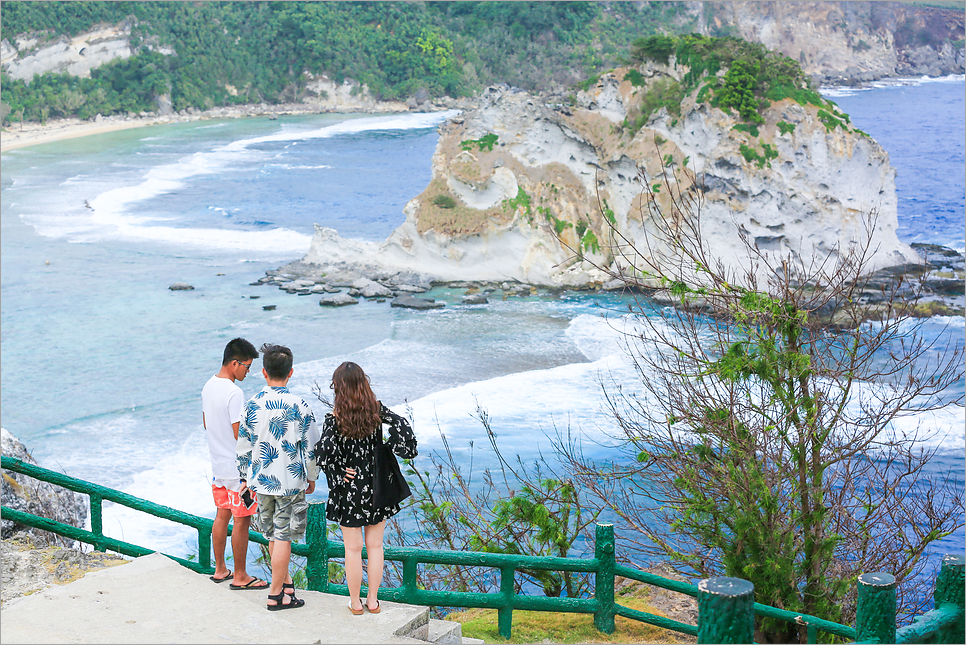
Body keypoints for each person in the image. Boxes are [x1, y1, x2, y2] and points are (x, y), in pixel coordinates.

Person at [315, 361, 418, 615]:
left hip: (349, 489)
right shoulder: (376, 411)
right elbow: (403, 425)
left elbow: (323, 453)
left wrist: (339, 470)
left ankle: (355, 603)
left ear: (338, 387)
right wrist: (390, 446)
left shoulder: (334, 419)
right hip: (377, 487)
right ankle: (373, 601)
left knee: (352, 549)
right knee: (375, 547)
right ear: (364, 384)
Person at [237, 343, 320, 611]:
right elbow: (310, 446)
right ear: (291, 372)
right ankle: (275, 595)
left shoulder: (252, 405)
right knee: (283, 537)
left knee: (273, 535)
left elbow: (243, 447)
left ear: (264, 372)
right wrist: (312, 476)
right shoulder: (300, 405)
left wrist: (244, 478)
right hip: (289, 481)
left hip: (261, 480)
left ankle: (287, 589)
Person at [201, 337, 268, 589]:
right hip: (238, 470)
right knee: (241, 520)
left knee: (222, 516)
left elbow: (207, 423)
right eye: (247, 367)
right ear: (234, 363)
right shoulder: (234, 392)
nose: (248, 372)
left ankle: (220, 570)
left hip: (218, 466)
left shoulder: (208, 386)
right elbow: (240, 434)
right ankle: (240, 576)